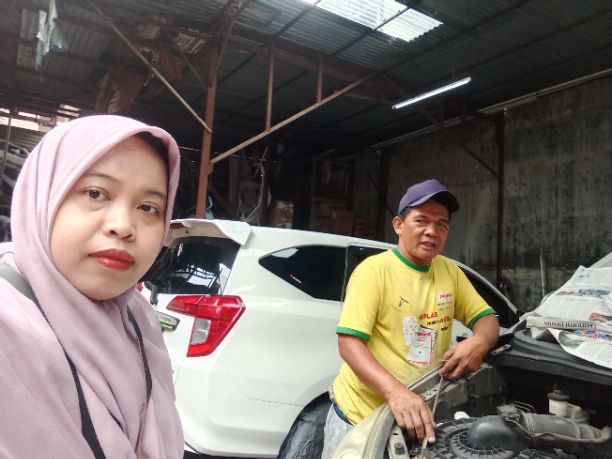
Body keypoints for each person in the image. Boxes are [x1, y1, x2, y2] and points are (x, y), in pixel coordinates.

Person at [0, 115, 184, 458]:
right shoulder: (8, 325)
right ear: (44, 195)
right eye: (96, 193)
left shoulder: (138, 319)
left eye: (148, 207)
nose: (123, 226)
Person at [322, 178, 500, 458]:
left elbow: (487, 319)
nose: (432, 231)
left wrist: (479, 342)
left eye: (441, 224)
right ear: (398, 225)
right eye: (421, 221)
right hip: (360, 420)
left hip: (414, 420)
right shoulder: (374, 271)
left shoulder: (449, 272)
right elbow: (349, 344)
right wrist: (395, 392)